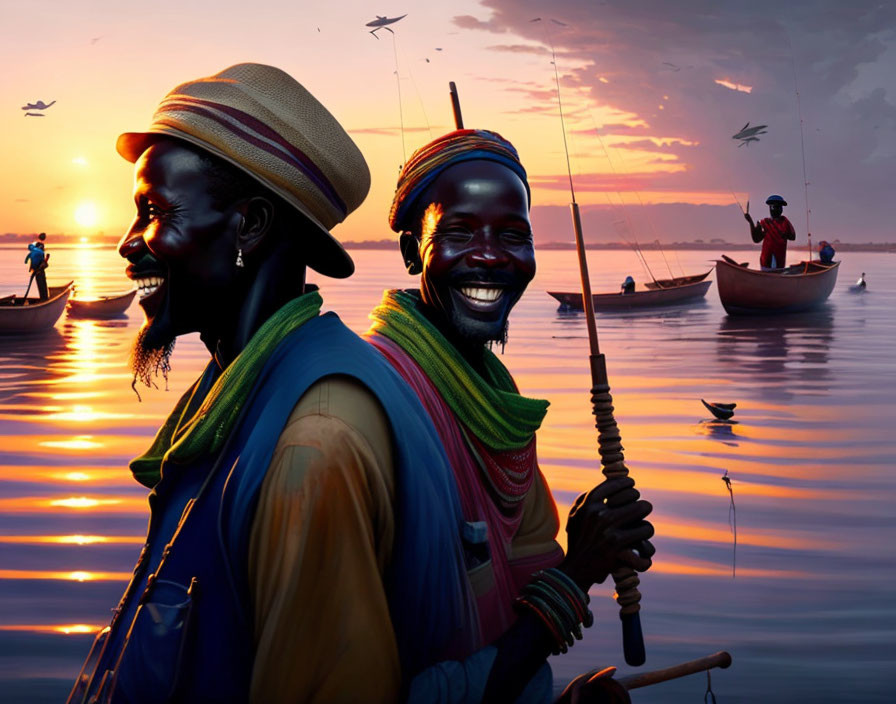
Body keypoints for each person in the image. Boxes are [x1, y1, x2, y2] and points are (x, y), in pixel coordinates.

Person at [68, 64, 478, 704]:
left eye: (153, 211)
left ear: (249, 226)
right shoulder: (256, 385)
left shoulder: (312, 447)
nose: (128, 244)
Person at [366, 129, 655, 703]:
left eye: (512, 235)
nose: (492, 255)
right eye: (459, 231)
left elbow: (511, 616)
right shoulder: (378, 404)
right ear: (408, 252)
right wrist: (576, 577)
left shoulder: (492, 397)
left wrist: (588, 548)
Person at [744, 194, 796, 270]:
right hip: (766, 261)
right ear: (770, 208)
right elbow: (756, 239)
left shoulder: (785, 221)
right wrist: (751, 222)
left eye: (780, 207)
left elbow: (793, 236)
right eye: (775, 207)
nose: (777, 209)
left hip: (780, 262)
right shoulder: (764, 222)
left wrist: (784, 234)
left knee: (777, 272)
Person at [24, 231, 49, 299]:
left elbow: (42, 262)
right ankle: (44, 299)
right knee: (41, 286)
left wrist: (46, 260)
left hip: (40, 271)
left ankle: (44, 299)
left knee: (43, 286)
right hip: (38, 271)